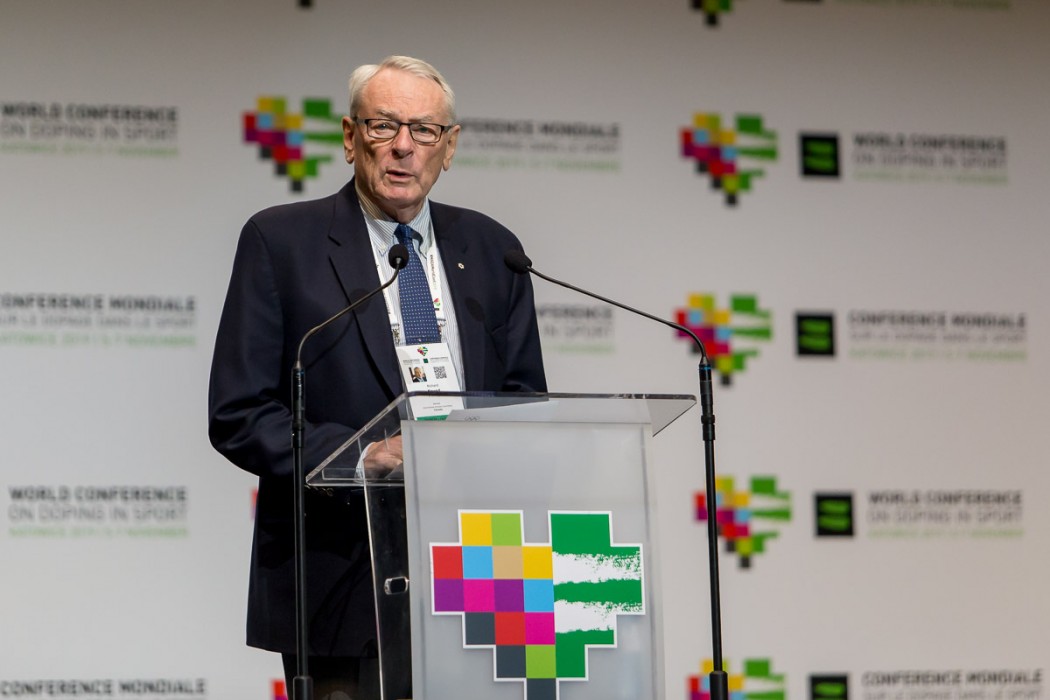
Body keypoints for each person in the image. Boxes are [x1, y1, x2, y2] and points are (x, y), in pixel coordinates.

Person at [208, 55, 546, 698]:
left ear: (449, 147)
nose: (403, 146)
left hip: (481, 567)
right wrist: (363, 456)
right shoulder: (283, 243)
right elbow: (240, 413)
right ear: (349, 136)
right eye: (383, 125)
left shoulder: (493, 249)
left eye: (424, 130)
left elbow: (524, 400)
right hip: (341, 577)